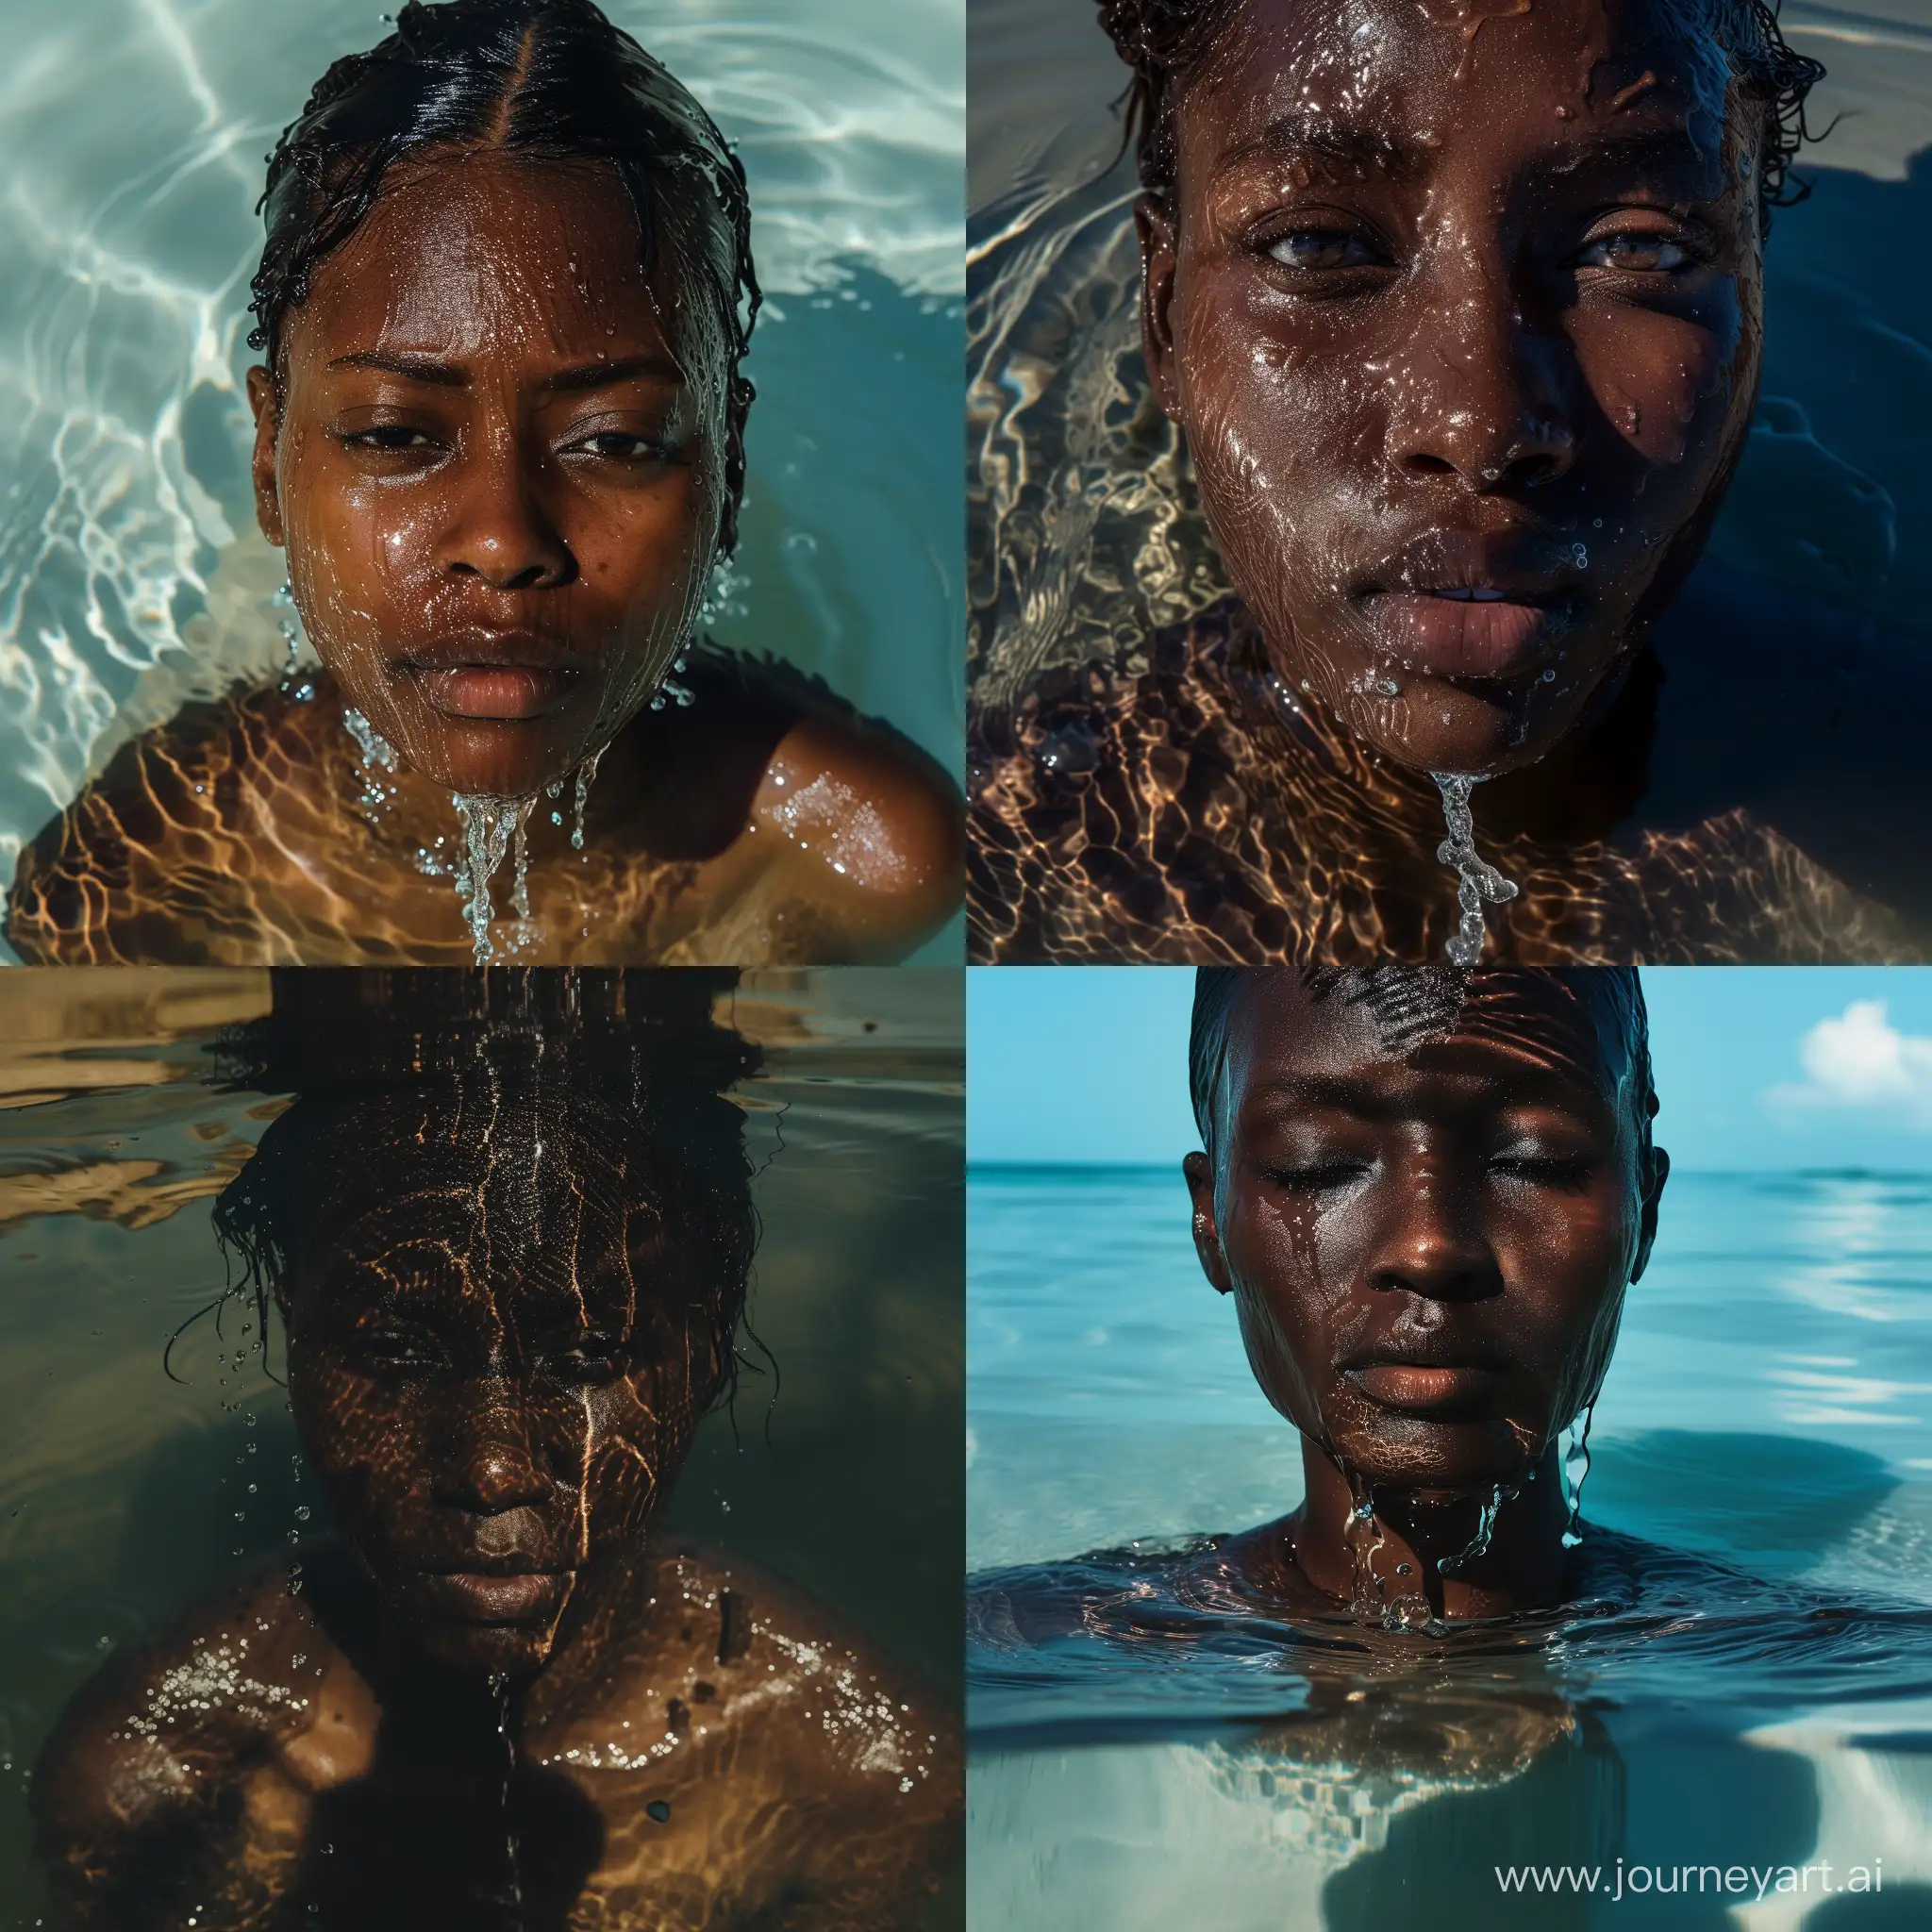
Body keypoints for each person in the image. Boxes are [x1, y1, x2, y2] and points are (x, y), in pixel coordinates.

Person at [969, 0, 1928, 964]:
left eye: (1635, 248)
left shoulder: (1900, 784)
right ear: (1165, 317)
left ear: (1753, 293)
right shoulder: (992, 842)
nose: (1481, 428)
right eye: (1319, 244)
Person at [8, 0, 960, 969]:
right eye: (392, 433)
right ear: (266, 463)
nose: (504, 541)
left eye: (617, 442)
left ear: (731, 468)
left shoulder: (860, 859)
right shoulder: (141, 882)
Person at [33, 970, 958, 1929]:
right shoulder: (160, 1778)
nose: (492, 1470)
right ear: (294, 1329)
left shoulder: (860, 1774)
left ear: (706, 1350)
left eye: (590, 1351)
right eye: (394, 1349)